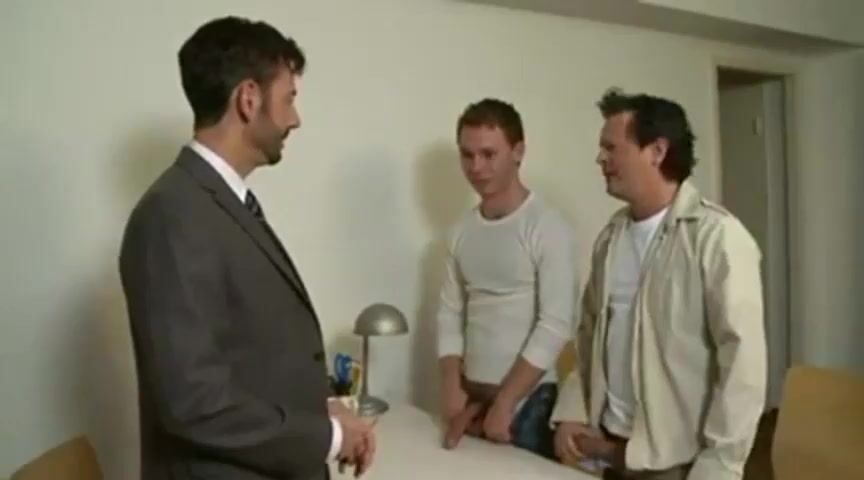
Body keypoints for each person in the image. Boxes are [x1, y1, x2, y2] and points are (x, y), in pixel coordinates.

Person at [118, 16, 374, 480]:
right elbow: (195, 402)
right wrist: (329, 438)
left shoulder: (220, 205)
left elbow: (250, 353)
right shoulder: (171, 216)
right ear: (249, 98)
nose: (295, 118)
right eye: (289, 98)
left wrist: (321, 406)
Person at [551, 89, 767, 480]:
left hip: (679, 466)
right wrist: (572, 412)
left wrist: (720, 465)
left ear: (657, 151)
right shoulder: (611, 238)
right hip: (608, 452)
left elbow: (743, 367)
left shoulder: (717, 237)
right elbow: (587, 338)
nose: (600, 158)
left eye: (611, 147)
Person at [436, 98, 578, 459]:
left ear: (518, 152)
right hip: (474, 397)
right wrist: (451, 385)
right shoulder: (461, 230)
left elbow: (555, 323)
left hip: (530, 402)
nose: (476, 167)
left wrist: (506, 401)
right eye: (467, 155)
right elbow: (449, 313)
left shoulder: (546, 225)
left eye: (488, 154)